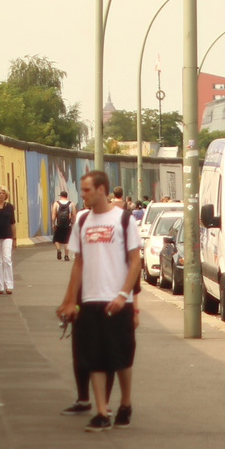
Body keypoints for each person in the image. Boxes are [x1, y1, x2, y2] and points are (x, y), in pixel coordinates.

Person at [57, 169, 142, 431]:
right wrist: (70, 300)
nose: (82, 195)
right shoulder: (82, 221)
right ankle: (102, 412)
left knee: (121, 359)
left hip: (118, 301)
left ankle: (125, 403)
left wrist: (124, 295)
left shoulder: (124, 220)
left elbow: (135, 261)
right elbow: (79, 264)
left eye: (86, 190)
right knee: (94, 357)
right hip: (91, 299)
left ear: (102, 190)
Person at [52, 191, 75, 261]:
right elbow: (74, 214)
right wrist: (74, 223)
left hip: (59, 224)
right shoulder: (71, 204)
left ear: (61, 196)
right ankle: (66, 256)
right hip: (67, 225)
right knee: (67, 241)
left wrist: (53, 223)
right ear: (67, 196)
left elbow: (54, 214)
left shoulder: (56, 203)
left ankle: (59, 250)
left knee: (56, 239)